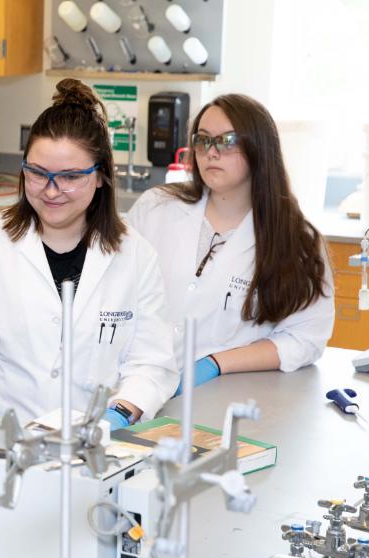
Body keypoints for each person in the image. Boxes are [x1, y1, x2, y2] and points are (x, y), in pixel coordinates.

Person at [0, 79, 178, 508]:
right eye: (37, 173)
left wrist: (117, 413)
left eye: (68, 177)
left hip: (98, 456)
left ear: (101, 177)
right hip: (0, 455)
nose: (49, 190)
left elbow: (152, 363)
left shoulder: (135, 256)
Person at [126, 94, 333, 391]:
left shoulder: (296, 240)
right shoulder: (156, 208)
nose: (211, 152)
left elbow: (305, 339)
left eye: (227, 141)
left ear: (258, 148)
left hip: (225, 395)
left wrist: (216, 363)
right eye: (203, 140)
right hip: (136, 385)